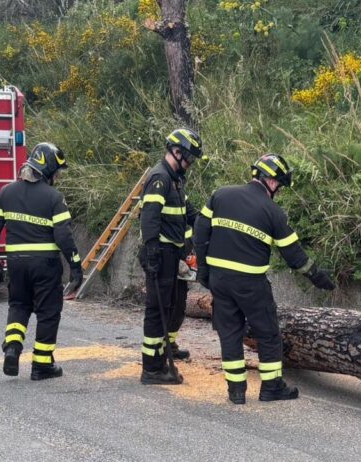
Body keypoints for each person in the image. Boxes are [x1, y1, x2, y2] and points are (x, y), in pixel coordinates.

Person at [194, 153, 336, 405]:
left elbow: (200, 230)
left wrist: (203, 270)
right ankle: (271, 387)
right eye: (279, 185)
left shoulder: (221, 194)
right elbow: (294, 255)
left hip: (219, 280)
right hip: (251, 283)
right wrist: (318, 277)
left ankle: (236, 391)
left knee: (229, 334)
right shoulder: (272, 211)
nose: (278, 190)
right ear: (271, 181)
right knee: (268, 333)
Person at [0, 142, 83, 380]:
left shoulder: (7, 192)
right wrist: (76, 265)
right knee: (48, 312)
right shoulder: (54, 197)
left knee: (19, 305)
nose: (57, 178)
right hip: (45, 265)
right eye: (56, 173)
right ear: (48, 169)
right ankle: (42, 365)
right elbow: (63, 236)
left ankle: (13, 347)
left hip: (16, 263)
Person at [139, 128, 204, 384]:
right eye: (188, 158)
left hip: (174, 252)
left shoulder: (176, 179)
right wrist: (152, 250)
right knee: (158, 309)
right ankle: (152, 368)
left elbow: (187, 211)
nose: (190, 164)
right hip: (161, 253)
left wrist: (207, 221)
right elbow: (150, 216)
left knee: (176, 303)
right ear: (176, 152)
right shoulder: (159, 177)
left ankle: (166, 350)